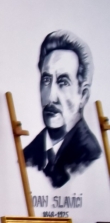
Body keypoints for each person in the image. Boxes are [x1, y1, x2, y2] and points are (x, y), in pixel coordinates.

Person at [23, 31, 101, 188]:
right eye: (46, 80)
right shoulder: (27, 156)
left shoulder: (92, 155)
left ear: (83, 95)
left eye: (63, 82)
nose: (51, 97)